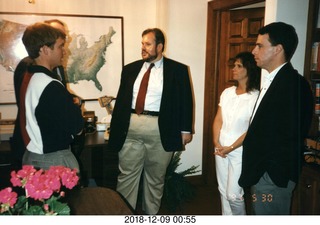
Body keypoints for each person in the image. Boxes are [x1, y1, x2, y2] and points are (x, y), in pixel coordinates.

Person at [108, 28, 194, 215]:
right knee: (127, 175)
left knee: (155, 178)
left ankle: (151, 215)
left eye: (148, 44)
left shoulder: (177, 70)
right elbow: (122, 100)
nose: (143, 48)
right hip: (131, 127)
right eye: (142, 44)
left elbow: (185, 101)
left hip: (160, 128)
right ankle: (124, 214)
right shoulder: (130, 69)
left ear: (160, 46)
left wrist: (186, 130)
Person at [238, 22, 314, 215]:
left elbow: (291, 134)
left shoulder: (295, 84)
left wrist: (269, 172)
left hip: (272, 177)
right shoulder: (274, 80)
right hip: (262, 174)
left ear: (278, 49)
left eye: (260, 45)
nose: (254, 50)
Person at [17, 22, 84, 171]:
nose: (65, 52)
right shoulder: (51, 85)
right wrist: (75, 105)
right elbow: (77, 128)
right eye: (60, 46)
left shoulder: (29, 76)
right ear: (45, 49)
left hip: (32, 156)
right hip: (54, 161)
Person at [213, 52, 260, 215]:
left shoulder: (255, 97)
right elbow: (218, 119)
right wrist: (216, 143)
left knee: (233, 195)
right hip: (220, 148)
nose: (234, 69)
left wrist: (231, 147)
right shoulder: (227, 92)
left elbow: (251, 130)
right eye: (234, 65)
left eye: (239, 66)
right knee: (222, 190)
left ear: (249, 69)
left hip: (239, 150)